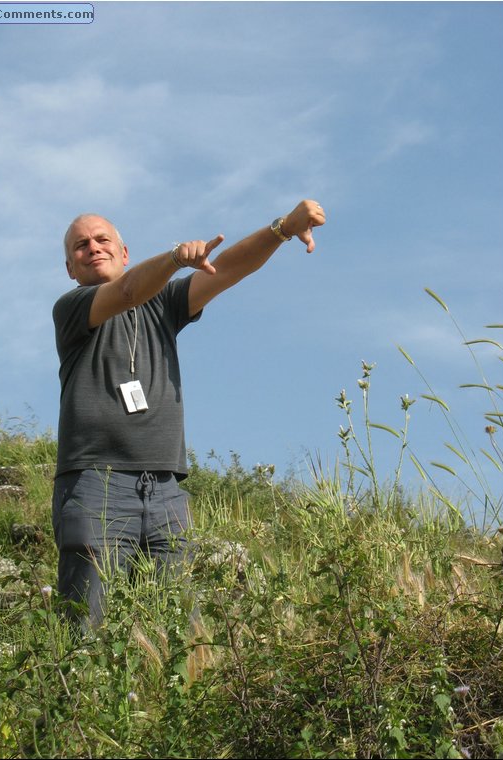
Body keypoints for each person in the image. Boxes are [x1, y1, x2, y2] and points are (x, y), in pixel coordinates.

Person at [52, 199, 326, 629]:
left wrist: (282, 229)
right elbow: (127, 291)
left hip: (166, 490)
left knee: (181, 632)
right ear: (71, 267)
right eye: (81, 246)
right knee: (85, 629)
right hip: (95, 486)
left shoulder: (163, 305)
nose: (93, 248)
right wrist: (177, 257)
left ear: (125, 253)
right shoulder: (71, 308)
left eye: (103, 239)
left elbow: (229, 269)